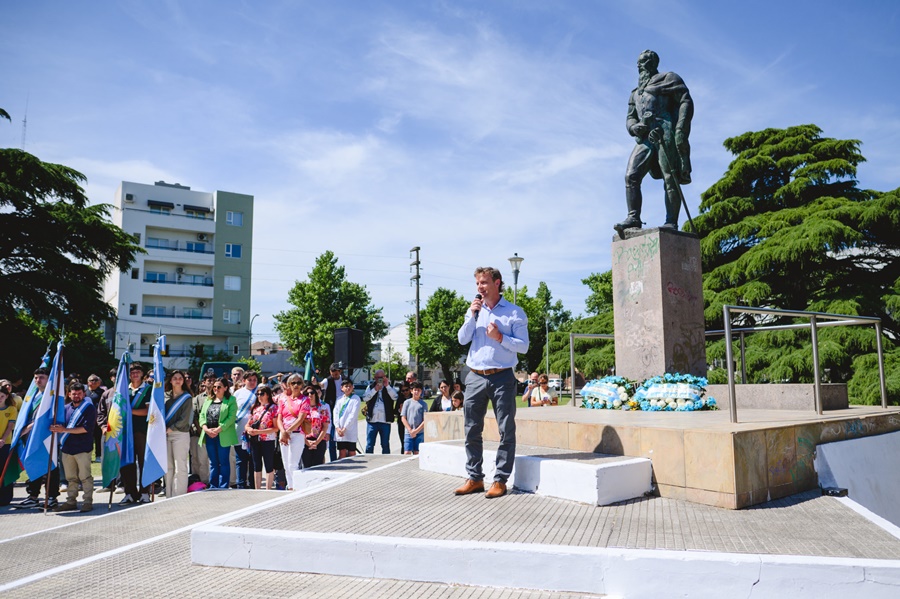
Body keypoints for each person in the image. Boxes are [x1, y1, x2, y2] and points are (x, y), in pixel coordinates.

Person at [454, 266, 529, 499]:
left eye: (484, 283)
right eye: (477, 283)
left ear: (497, 283)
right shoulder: (474, 310)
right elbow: (462, 338)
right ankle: (475, 478)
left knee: (506, 429)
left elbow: (523, 346)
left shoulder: (514, 313)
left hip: (502, 376)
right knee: (471, 429)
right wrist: (471, 315)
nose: (480, 288)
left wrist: (500, 337)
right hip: (475, 375)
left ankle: (500, 480)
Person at [615, 49, 693, 234]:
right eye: (638, 63)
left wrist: (680, 129)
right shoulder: (635, 93)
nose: (639, 66)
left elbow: (685, 101)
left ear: (652, 64)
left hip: (664, 132)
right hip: (645, 138)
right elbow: (630, 118)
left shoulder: (668, 79)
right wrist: (634, 128)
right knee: (631, 175)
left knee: (670, 176)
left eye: (643, 63)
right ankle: (633, 217)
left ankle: (671, 222)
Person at [49, 383, 96, 512]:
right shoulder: (64, 408)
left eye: (79, 393)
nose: (76, 396)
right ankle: (71, 501)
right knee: (70, 478)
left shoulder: (89, 408)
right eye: (74, 393)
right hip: (67, 448)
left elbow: (86, 429)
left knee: (85, 477)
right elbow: (59, 424)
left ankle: (87, 502)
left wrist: (65, 429)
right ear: (69, 394)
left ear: (84, 394)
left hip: (82, 448)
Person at [120, 363, 152, 504]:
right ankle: (130, 492)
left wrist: (130, 411)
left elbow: (148, 411)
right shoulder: (123, 389)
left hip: (142, 430)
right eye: (132, 372)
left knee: (143, 462)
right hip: (126, 431)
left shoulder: (148, 389)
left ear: (142, 374)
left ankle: (144, 492)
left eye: (138, 372)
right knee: (127, 463)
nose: (135, 374)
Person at [198, 377, 238, 490]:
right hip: (209, 435)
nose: (216, 389)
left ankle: (223, 486)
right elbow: (201, 416)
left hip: (222, 435)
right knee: (213, 462)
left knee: (223, 461)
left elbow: (231, 417)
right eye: (214, 387)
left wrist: (218, 429)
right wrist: (205, 429)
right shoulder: (208, 400)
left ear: (225, 388)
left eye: (219, 387)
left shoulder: (231, 400)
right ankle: (213, 485)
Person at [276, 374, 309, 490]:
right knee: (285, 463)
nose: (296, 385)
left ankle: (296, 486)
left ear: (302, 385)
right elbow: (279, 418)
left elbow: (300, 419)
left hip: (297, 434)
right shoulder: (283, 399)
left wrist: (287, 432)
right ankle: (290, 486)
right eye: (293, 383)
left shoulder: (305, 400)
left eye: (298, 383)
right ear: (289, 385)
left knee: (293, 463)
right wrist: (283, 431)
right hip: (284, 433)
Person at [163, 370, 193, 498]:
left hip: (180, 434)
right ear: (170, 380)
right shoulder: (164, 396)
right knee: (168, 466)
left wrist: (171, 428)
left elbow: (185, 418)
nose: (177, 380)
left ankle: (179, 495)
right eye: (175, 378)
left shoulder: (187, 397)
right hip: (165, 435)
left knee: (180, 466)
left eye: (180, 378)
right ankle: (169, 495)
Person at [244, 385, 279, 490]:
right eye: (257, 394)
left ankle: (268, 488)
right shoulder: (255, 408)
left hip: (268, 439)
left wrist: (259, 432)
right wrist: (248, 429)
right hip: (255, 440)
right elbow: (248, 423)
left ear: (268, 395)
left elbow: (275, 428)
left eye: (262, 394)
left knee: (269, 464)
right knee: (256, 465)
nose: (259, 396)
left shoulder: (273, 408)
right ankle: (257, 488)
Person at [232, 370, 260, 489]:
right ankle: (241, 485)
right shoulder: (238, 393)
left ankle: (253, 484)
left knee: (253, 459)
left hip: (255, 431)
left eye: (254, 380)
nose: (252, 382)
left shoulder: (260, 392)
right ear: (244, 381)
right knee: (240, 459)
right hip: (239, 430)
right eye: (249, 380)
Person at [363, 369, 396, 454]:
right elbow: (365, 398)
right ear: (374, 378)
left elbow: (395, 397)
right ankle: (368, 461)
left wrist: (387, 386)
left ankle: (386, 461)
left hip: (385, 421)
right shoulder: (370, 387)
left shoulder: (389, 387)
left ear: (385, 377)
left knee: (385, 444)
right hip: (372, 421)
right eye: (378, 377)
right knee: (370, 444)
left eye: (382, 377)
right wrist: (375, 389)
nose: (380, 379)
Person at [189, 375, 214, 485]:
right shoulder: (198, 398)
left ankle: (215, 481)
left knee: (214, 460)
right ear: (204, 382)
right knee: (201, 460)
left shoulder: (220, 397)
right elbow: (195, 416)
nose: (212, 383)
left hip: (216, 432)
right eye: (209, 380)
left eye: (214, 380)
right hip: (201, 433)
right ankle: (204, 482)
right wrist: (201, 430)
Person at [319, 363, 344, 462]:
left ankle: (343, 457)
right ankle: (333, 459)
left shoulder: (345, 379)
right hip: (332, 409)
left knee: (342, 434)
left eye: (336, 374)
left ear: (340, 372)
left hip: (342, 409)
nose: (334, 376)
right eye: (333, 374)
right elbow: (320, 385)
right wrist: (316, 382)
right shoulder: (328, 380)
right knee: (332, 436)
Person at [301, 385, 329, 468]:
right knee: (306, 466)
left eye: (312, 393)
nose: (309, 395)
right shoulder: (301, 409)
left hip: (319, 440)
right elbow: (299, 426)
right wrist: (307, 442)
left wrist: (316, 442)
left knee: (318, 466)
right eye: (306, 393)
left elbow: (325, 426)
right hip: (305, 440)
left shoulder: (322, 408)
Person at [0, 385, 18, 505]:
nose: (0, 398)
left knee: (5, 470)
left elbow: (10, 427)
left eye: (2, 396)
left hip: (5, 444)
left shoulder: (11, 409)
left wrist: (2, 439)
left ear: (6, 396)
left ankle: (5, 498)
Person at [333, 380, 360, 459]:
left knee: (352, 452)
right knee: (342, 452)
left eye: (350, 386)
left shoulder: (355, 398)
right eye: (346, 386)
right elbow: (335, 413)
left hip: (350, 429)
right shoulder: (339, 399)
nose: (348, 388)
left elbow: (353, 415)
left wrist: (345, 428)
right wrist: (337, 427)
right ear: (342, 388)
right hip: (340, 429)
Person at [401, 382, 428, 455]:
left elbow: (425, 420)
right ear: (411, 391)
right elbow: (403, 418)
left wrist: (416, 431)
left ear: (421, 391)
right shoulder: (407, 402)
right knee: (407, 452)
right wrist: (410, 430)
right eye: (415, 390)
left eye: (418, 390)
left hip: (420, 433)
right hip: (408, 432)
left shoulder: (423, 404)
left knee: (417, 452)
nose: (416, 392)